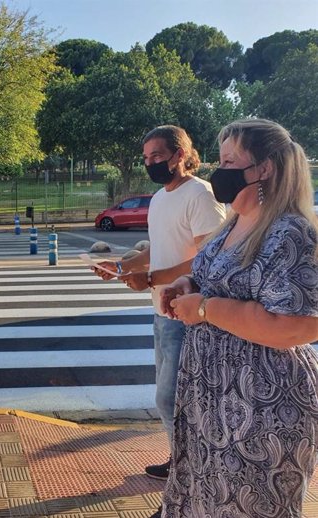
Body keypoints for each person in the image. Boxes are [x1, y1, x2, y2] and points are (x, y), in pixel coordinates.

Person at [160, 119, 318, 517]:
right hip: (212, 394)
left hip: (260, 405)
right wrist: (186, 283)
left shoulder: (290, 232)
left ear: (263, 169)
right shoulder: (235, 221)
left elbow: (298, 325)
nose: (220, 170)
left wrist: (204, 309)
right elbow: (216, 275)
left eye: (230, 161)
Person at [93, 126, 226, 516]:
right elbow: (158, 248)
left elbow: (207, 258)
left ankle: (191, 476)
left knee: (171, 399)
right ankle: (181, 464)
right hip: (161, 312)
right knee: (172, 399)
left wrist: (152, 279)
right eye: (146, 157)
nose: (150, 162)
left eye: (158, 155)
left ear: (181, 153)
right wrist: (120, 266)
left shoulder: (200, 194)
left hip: (187, 314)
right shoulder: (158, 199)